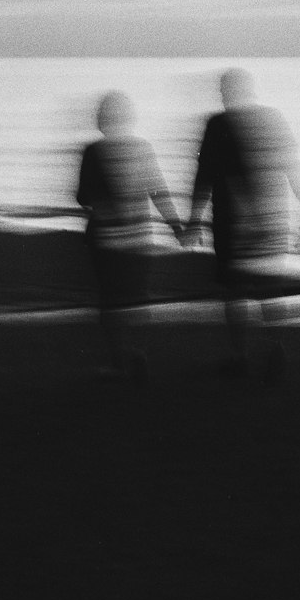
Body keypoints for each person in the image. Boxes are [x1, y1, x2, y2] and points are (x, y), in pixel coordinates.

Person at [186, 68, 300, 381]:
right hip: (272, 219)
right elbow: (291, 166)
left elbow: (203, 176)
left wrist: (194, 219)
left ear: (226, 93)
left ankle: (240, 356)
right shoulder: (272, 119)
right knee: (270, 288)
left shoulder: (217, 124)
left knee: (235, 292)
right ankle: (276, 347)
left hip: (233, 222)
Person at [77, 90, 183, 382]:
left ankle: (118, 361)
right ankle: (138, 351)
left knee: (110, 302)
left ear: (101, 119)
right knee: (136, 299)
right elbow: (159, 191)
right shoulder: (143, 148)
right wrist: (176, 226)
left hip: (107, 240)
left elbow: (83, 196)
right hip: (140, 238)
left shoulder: (93, 151)